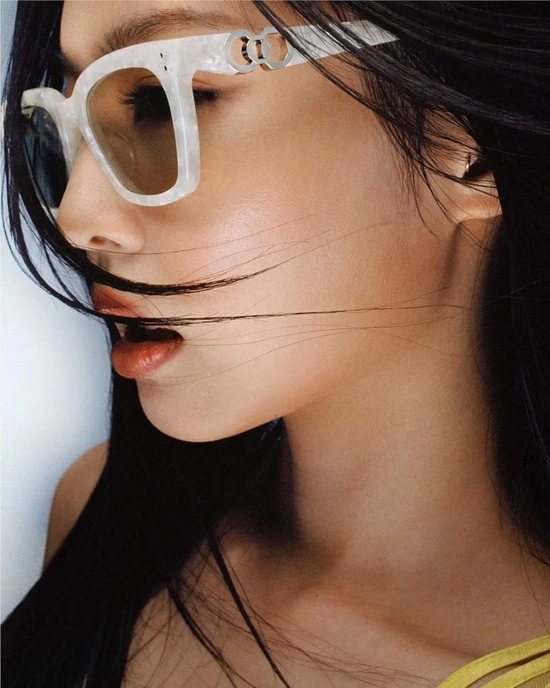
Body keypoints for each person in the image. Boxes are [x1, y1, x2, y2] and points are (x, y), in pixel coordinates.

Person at [2, 1, 550, 686]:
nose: (78, 218)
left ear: (466, 153)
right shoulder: (102, 515)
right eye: (67, 125)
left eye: (162, 101)